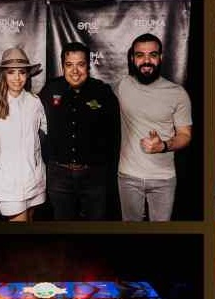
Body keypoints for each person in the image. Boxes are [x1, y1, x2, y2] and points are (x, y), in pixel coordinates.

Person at [40, 41, 120, 220]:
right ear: (62, 66)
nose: (75, 71)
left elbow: (114, 136)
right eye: (69, 65)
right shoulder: (50, 90)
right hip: (59, 175)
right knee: (63, 226)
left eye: (80, 64)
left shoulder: (102, 92)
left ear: (88, 66)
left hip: (94, 176)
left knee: (94, 227)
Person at [116, 33, 192, 221]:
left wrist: (163, 146)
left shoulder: (177, 93)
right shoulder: (122, 86)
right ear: (132, 58)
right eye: (140, 55)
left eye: (153, 55)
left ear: (161, 57)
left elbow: (185, 135)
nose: (146, 61)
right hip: (128, 177)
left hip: (163, 179)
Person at [0, 47, 47, 222]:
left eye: (22, 72)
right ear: (3, 75)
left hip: (34, 179)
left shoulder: (35, 102)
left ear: (27, 75)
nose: (17, 78)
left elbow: (45, 130)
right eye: (11, 72)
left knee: (30, 229)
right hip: (7, 184)